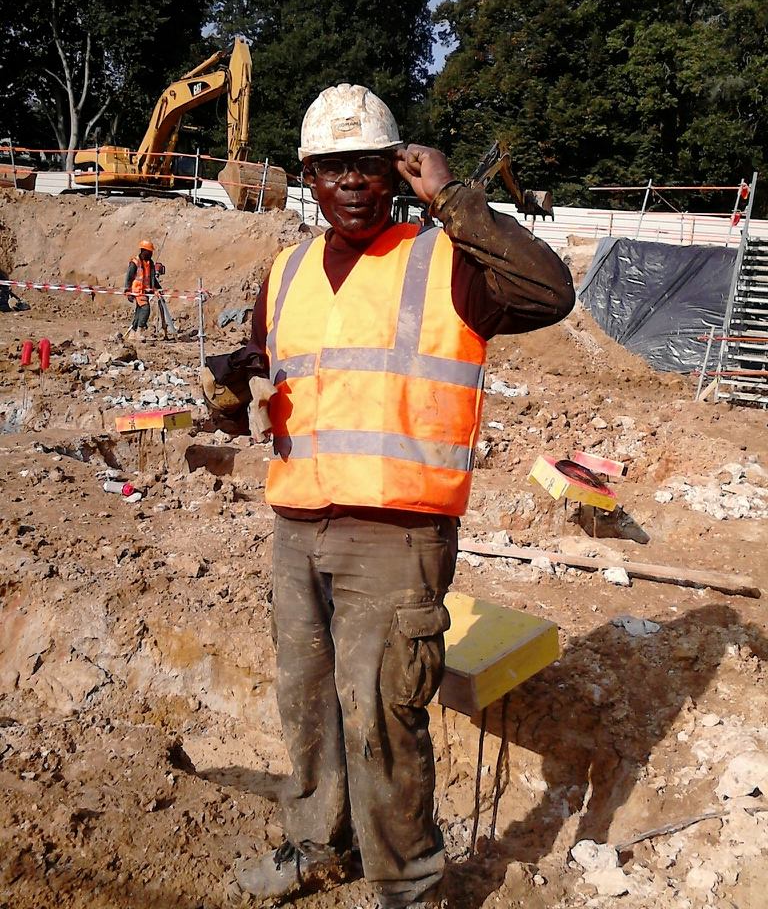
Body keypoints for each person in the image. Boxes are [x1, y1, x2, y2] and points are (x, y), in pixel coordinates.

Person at [209, 84, 575, 909]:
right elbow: (264, 389)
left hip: (398, 536)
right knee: (307, 702)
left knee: (383, 718)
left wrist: (452, 199)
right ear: (307, 175)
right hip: (297, 523)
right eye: (332, 168)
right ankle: (314, 843)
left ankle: (409, 888)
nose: (349, 184)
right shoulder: (288, 270)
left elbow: (551, 292)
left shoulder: (447, 261)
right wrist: (232, 389)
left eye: (368, 167)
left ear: (395, 169)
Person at [124, 239, 162, 337]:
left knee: (139, 311)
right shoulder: (135, 263)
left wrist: (158, 288)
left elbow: (152, 278)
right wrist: (128, 291)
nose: (151, 254)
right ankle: (140, 330)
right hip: (137, 291)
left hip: (145, 291)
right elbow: (129, 277)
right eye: (149, 252)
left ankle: (133, 332)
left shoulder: (150, 263)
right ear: (143, 251)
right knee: (145, 309)